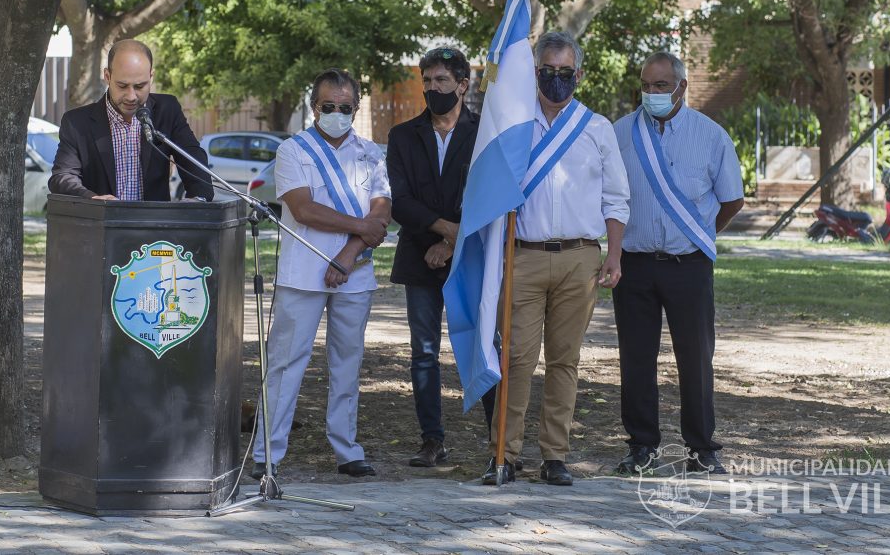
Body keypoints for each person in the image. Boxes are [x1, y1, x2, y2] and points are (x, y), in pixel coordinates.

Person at [484, 31, 629, 487]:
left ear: (579, 75)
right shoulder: (512, 124)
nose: (556, 81)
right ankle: (503, 456)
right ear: (535, 72)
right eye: (547, 72)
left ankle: (555, 456)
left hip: (579, 259)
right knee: (517, 359)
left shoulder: (597, 127)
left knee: (565, 361)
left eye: (565, 73)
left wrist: (614, 256)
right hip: (523, 256)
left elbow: (617, 199)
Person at [252, 68, 391, 480]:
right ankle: (266, 452)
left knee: (347, 364)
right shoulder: (293, 150)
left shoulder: (371, 153)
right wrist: (363, 228)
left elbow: (380, 212)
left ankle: (347, 450)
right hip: (302, 272)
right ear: (314, 107)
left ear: (356, 108)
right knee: (284, 363)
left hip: (355, 272)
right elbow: (303, 208)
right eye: (328, 106)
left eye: (344, 107)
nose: (336, 113)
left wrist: (349, 254)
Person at [611, 51, 744, 476]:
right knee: (635, 358)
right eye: (646, 86)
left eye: (661, 86)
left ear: (682, 87)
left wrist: (700, 234)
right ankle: (642, 447)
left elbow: (731, 200)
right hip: (634, 262)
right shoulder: (619, 134)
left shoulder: (711, 136)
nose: (651, 93)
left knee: (696, 357)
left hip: (689, 265)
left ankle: (702, 448)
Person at [386, 47, 495, 468]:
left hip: (472, 259)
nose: (433, 89)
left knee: (481, 345)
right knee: (424, 352)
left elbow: (488, 199)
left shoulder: (485, 134)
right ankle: (432, 440)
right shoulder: (402, 135)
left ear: (463, 85)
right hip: (418, 257)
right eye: (427, 81)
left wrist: (452, 243)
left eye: (442, 81)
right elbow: (400, 200)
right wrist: (443, 230)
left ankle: (497, 441)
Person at [49, 39, 213, 201]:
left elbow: (193, 157)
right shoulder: (77, 122)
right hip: (101, 223)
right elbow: (63, 176)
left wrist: (198, 199)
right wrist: (91, 198)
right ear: (107, 76)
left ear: (151, 76)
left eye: (140, 86)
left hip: (152, 224)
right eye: (122, 86)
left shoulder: (167, 109)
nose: (131, 96)